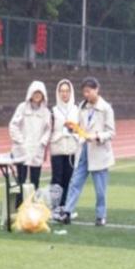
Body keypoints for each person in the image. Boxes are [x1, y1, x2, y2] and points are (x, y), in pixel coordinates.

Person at [55, 77, 115, 226]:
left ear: (97, 89)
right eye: (84, 92)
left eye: (89, 91)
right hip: (84, 151)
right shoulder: (82, 106)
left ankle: (101, 216)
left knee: (100, 189)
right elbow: (81, 127)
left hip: (99, 152)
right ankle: (67, 212)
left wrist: (96, 136)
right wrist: (74, 128)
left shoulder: (106, 108)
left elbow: (111, 132)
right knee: (75, 183)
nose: (86, 94)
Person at [8, 81, 51, 207]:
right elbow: (13, 125)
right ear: (30, 93)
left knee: (35, 181)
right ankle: (19, 205)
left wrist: (42, 143)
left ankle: (33, 206)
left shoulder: (46, 112)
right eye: (35, 92)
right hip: (22, 150)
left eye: (40, 93)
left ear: (43, 95)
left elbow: (48, 130)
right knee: (21, 180)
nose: (37, 95)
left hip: (37, 150)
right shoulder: (22, 108)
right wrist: (20, 141)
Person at [49, 79, 80, 210]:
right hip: (57, 148)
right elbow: (49, 129)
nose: (64, 94)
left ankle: (66, 206)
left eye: (67, 91)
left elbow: (80, 128)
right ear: (58, 93)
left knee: (69, 178)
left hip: (71, 149)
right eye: (62, 91)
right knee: (57, 179)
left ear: (71, 92)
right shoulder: (53, 110)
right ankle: (55, 206)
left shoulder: (76, 109)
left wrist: (74, 130)